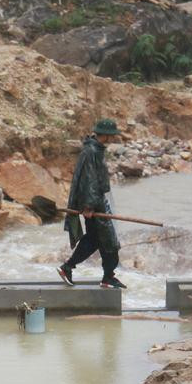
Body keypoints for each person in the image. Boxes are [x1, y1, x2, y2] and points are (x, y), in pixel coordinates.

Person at [57, 118, 125, 290]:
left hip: (97, 202)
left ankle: (104, 276)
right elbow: (89, 180)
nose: (113, 139)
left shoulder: (95, 149)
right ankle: (103, 276)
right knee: (107, 240)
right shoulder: (91, 151)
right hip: (94, 204)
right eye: (111, 136)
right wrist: (88, 206)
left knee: (96, 239)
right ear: (107, 136)